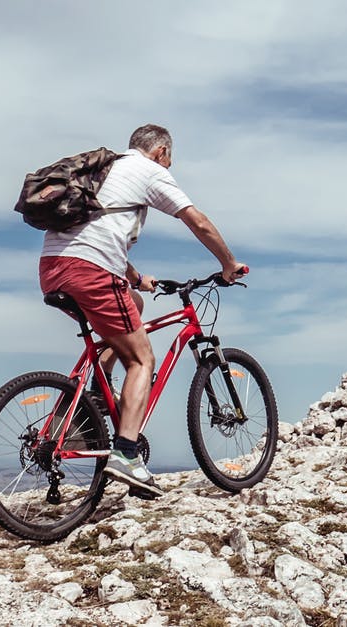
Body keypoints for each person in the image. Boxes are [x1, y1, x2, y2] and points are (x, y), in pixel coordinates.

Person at [38, 124, 247, 498]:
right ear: (161, 152)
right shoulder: (149, 171)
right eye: (171, 160)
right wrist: (228, 263)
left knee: (131, 306)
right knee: (141, 360)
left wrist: (135, 277)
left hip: (54, 269)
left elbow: (97, 233)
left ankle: (98, 394)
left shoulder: (105, 171)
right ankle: (126, 455)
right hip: (92, 271)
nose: (169, 167)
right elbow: (196, 220)